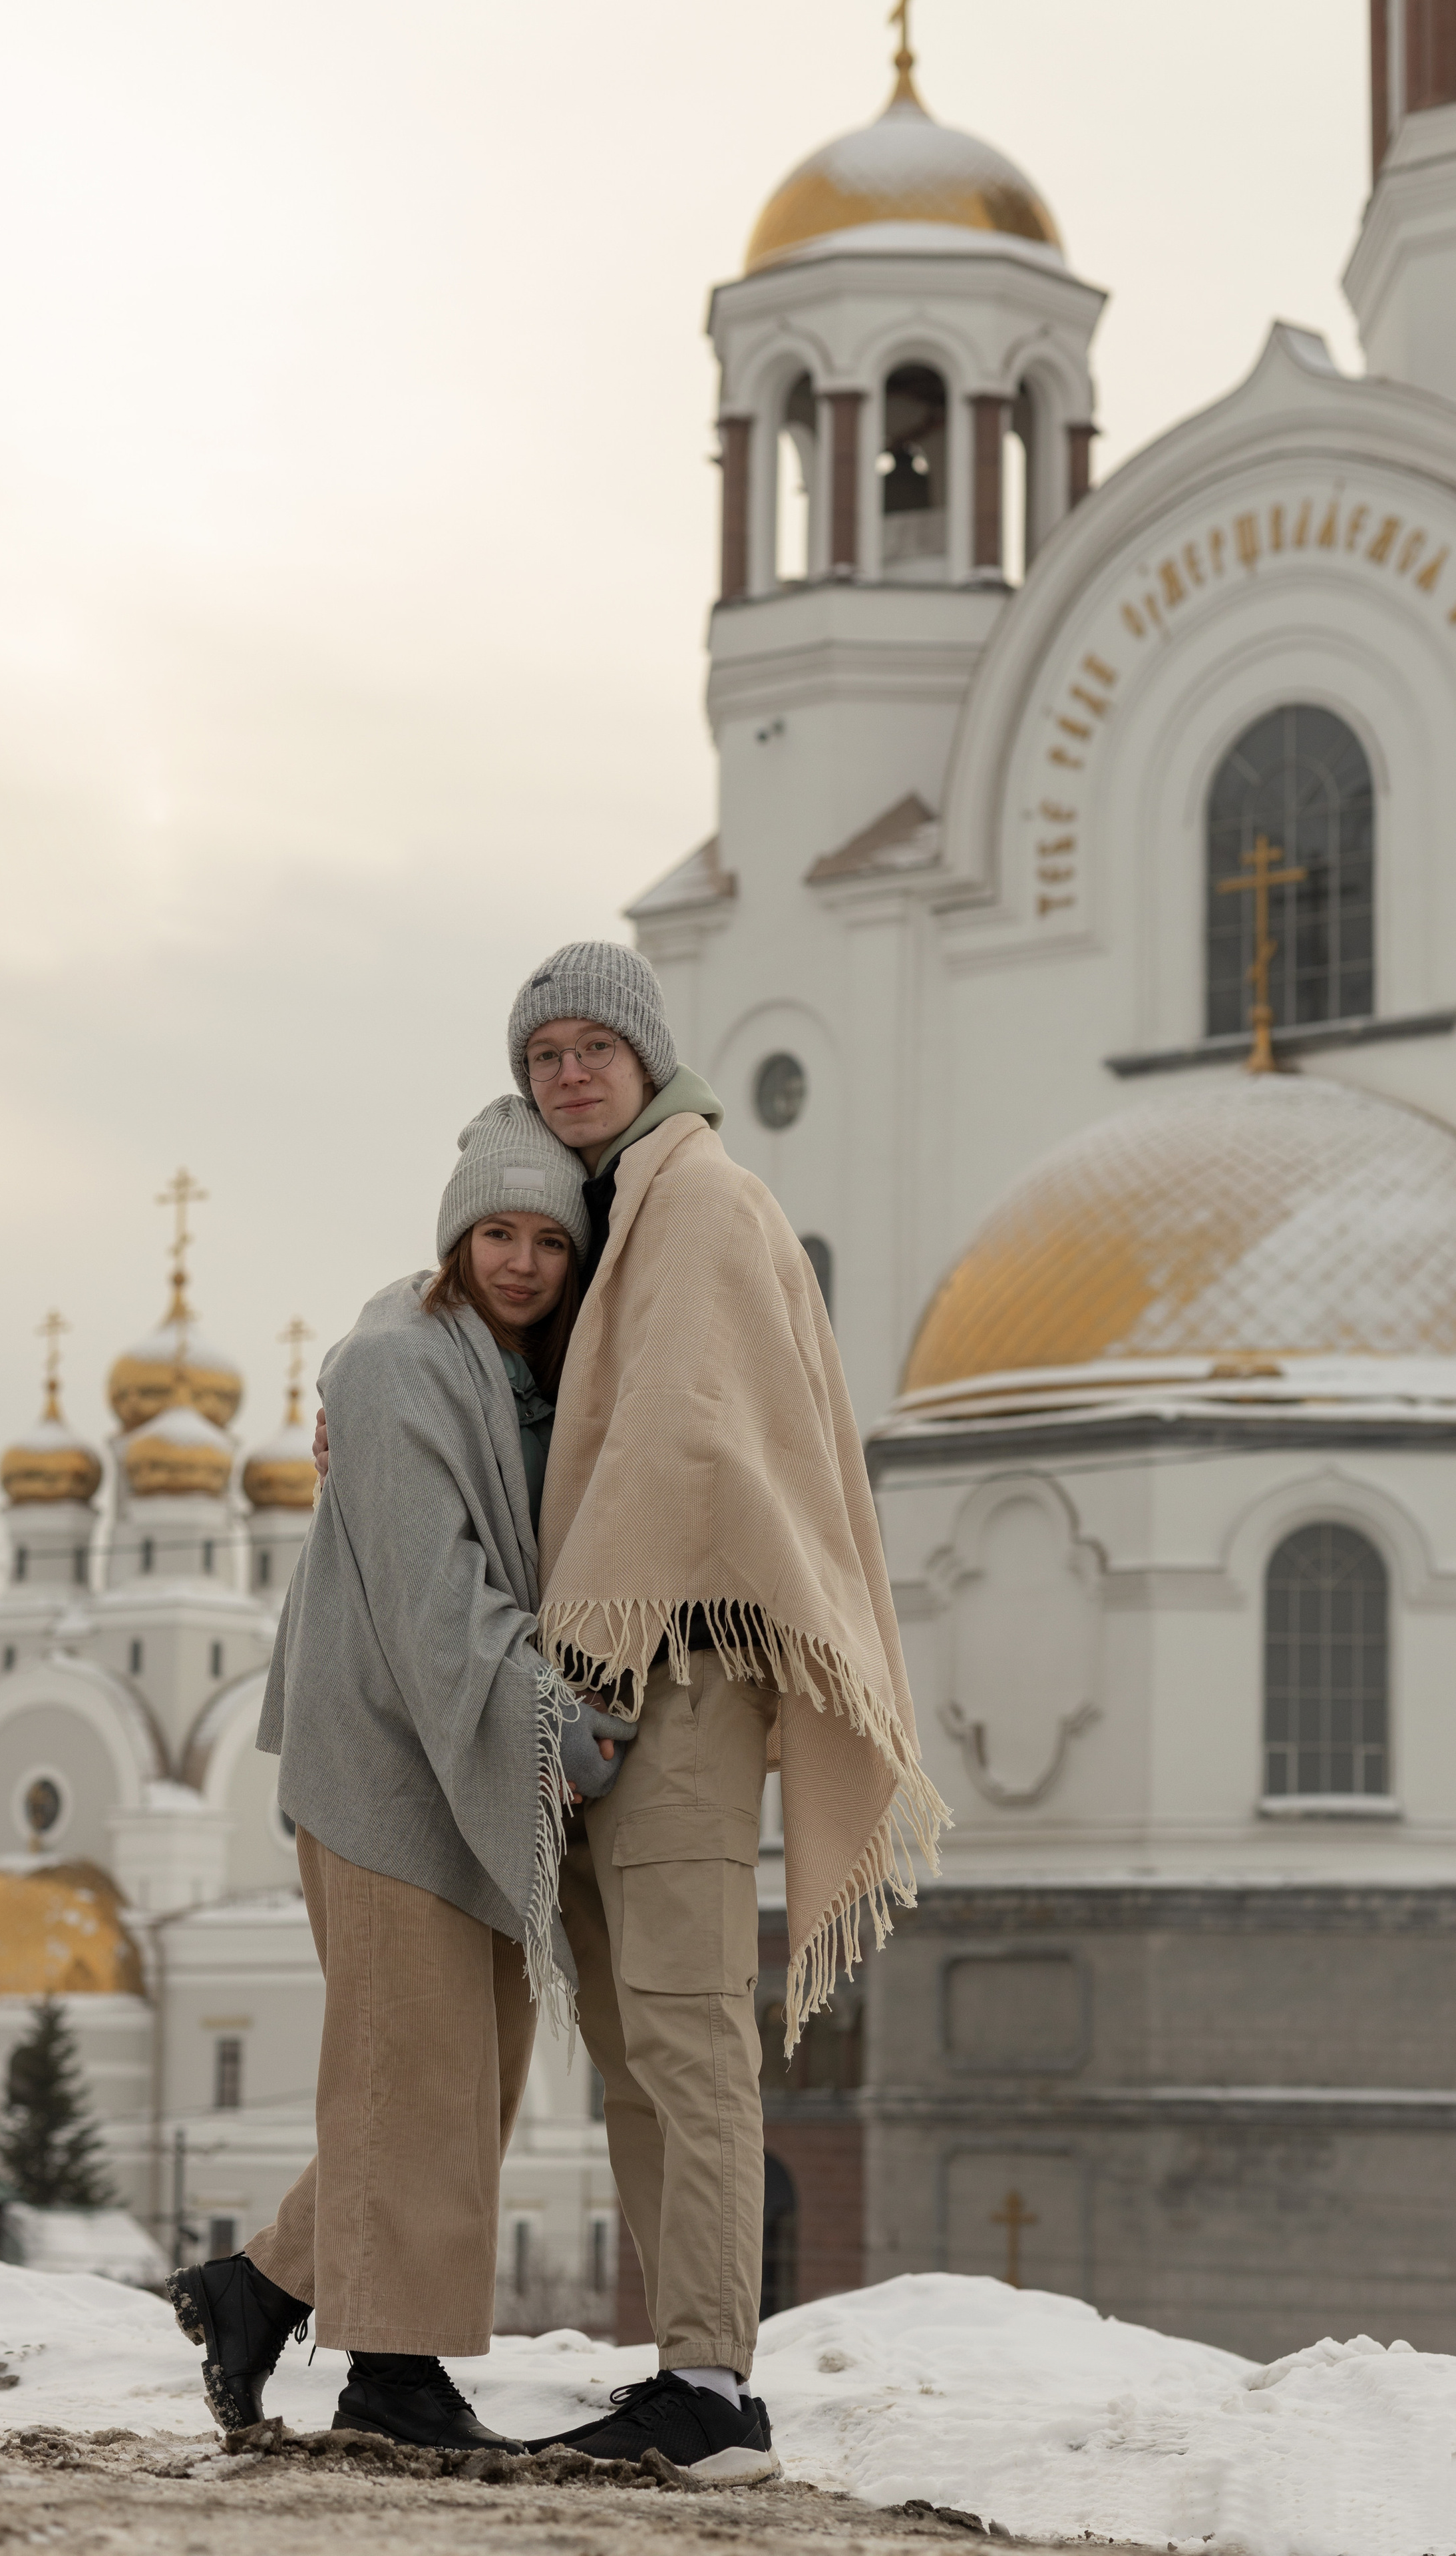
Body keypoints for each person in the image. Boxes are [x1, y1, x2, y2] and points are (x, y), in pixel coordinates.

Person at [502, 941, 949, 2479]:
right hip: (608, 1686)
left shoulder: (691, 1203)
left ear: (645, 1056)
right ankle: (685, 2366)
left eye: (590, 1047)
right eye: (540, 1054)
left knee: (688, 2038)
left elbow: (682, 1452)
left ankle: (708, 2386)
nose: (568, 1072)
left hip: (673, 1676)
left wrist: (584, 1660)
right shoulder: (614, 1211)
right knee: (634, 2046)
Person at [166, 1096, 634, 2451]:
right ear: (455, 1234)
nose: (522, 1263)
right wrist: (550, 1717)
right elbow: (437, 1601)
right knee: (411, 2068)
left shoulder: (511, 1372)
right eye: (497, 1232)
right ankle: (392, 2368)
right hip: (382, 1756)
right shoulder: (395, 1365)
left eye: (550, 1241)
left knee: (453, 2071)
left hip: (452, 1755)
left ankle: (256, 2290)